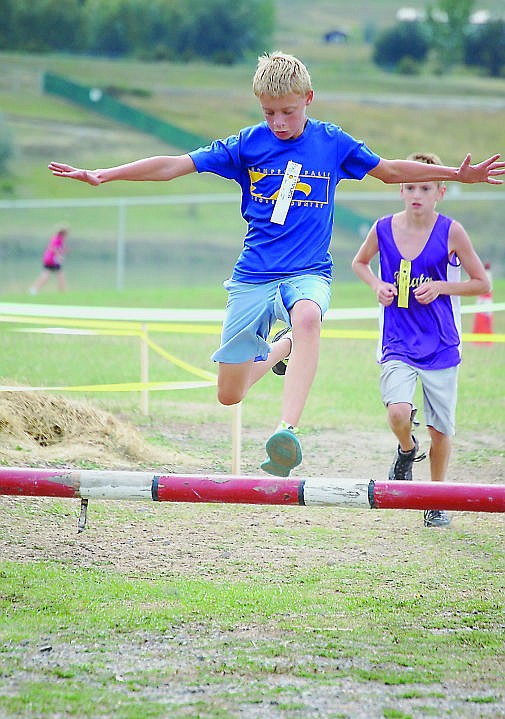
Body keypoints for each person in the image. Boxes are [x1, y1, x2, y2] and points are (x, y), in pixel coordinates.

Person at [47, 52, 504, 478]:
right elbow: (175, 164)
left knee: (308, 316)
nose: (279, 122)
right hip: (253, 274)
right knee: (230, 393)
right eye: (269, 113)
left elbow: (388, 170)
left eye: (287, 111)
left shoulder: (331, 142)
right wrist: (106, 173)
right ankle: (282, 348)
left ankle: (287, 431)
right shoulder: (247, 144)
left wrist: (456, 175)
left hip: (308, 271)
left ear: (308, 99)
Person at [351, 152, 491, 527]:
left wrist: (442, 287)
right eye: (410, 186)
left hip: (441, 343)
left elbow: (482, 283)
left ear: (440, 192)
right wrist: (378, 284)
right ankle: (406, 450)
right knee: (398, 411)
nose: (417, 194)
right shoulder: (382, 228)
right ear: (400, 191)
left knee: (439, 429)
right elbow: (360, 263)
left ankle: (437, 500)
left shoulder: (452, 231)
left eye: (425, 188)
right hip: (397, 338)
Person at [29, 226, 69, 294]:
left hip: (49, 259)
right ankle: (62, 292)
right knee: (58, 276)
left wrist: (62, 251)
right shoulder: (58, 239)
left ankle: (34, 289)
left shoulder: (56, 238)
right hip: (52, 260)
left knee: (47, 276)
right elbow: (52, 248)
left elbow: (56, 248)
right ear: (63, 233)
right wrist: (60, 254)